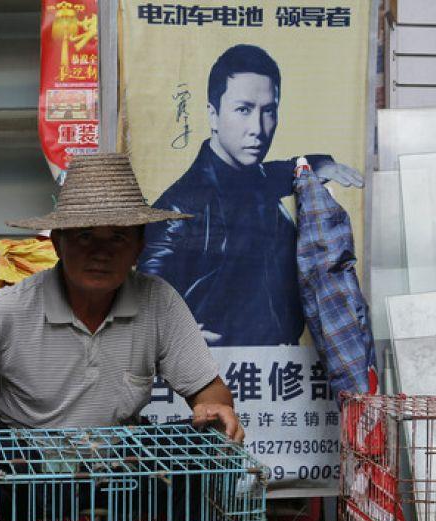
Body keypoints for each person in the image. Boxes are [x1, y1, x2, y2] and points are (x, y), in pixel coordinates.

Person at [0, 153, 243, 521]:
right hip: (27, 458)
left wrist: (213, 409)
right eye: (85, 237)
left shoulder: (159, 301)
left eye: (117, 238)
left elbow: (210, 392)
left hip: (116, 456)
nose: (100, 253)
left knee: (198, 450)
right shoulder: (12, 308)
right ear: (58, 244)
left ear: (138, 245)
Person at [140, 43, 363, 347]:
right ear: (213, 115)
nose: (257, 129)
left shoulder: (256, 178)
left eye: (268, 111)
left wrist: (319, 163)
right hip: (217, 378)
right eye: (243, 110)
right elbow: (144, 303)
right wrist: (171, 335)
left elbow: (279, 170)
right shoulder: (177, 211)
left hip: (282, 371)